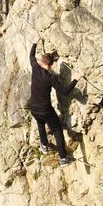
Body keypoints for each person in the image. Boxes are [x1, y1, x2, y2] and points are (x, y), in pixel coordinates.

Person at [29, 35, 82, 167]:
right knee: (58, 131)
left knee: (40, 124)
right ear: (52, 64)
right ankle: (63, 159)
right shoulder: (51, 78)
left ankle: (44, 145)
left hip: (34, 108)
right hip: (46, 110)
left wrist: (35, 42)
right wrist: (75, 79)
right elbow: (64, 91)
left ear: (41, 61)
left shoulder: (35, 68)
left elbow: (31, 56)